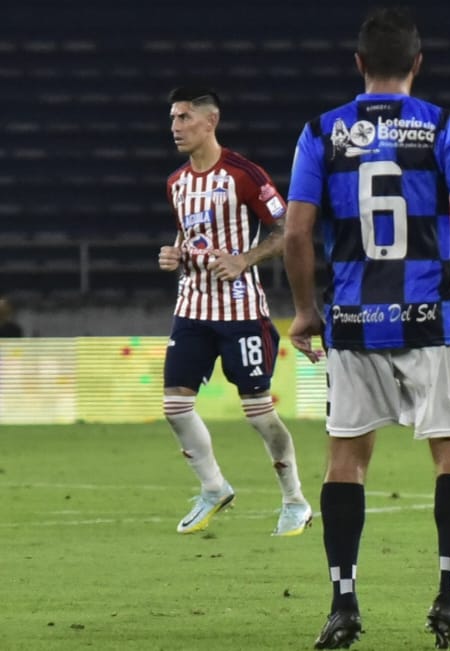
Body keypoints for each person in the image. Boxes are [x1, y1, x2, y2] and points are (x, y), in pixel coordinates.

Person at [283, 8, 450, 649]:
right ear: (418, 64)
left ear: (358, 65)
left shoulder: (320, 132)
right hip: (429, 321)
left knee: (345, 463)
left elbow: (297, 232)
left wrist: (306, 311)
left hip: (354, 322)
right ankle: (449, 599)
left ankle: (343, 603)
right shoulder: (442, 126)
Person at [157, 86, 311, 538]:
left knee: (259, 414)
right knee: (174, 405)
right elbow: (192, 236)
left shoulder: (244, 175)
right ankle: (213, 487)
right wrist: (175, 254)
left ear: (211, 121)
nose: (175, 127)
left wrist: (245, 259)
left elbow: (288, 228)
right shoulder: (176, 183)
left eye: (184, 118)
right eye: (172, 119)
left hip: (241, 310)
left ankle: (295, 500)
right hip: (192, 307)